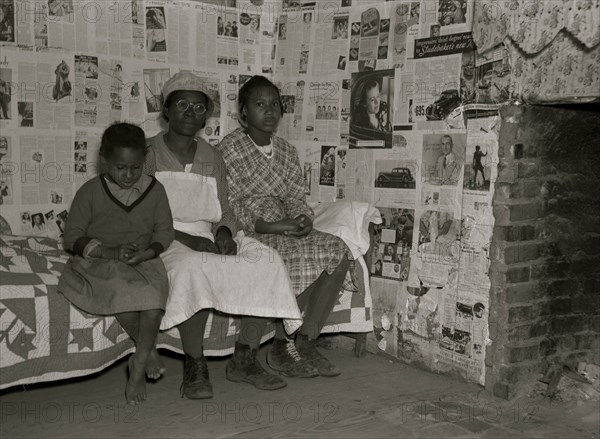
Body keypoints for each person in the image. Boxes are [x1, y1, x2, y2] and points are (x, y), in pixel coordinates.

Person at [145, 72, 301, 399]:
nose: (190, 113)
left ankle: (244, 357)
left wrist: (226, 234)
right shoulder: (149, 154)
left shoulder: (212, 157)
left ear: (207, 115)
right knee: (193, 266)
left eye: (199, 107)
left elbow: (225, 209)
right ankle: (195, 364)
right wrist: (188, 241)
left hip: (209, 233)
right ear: (166, 111)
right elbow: (139, 215)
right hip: (163, 238)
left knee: (266, 260)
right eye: (182, 105)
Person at [217, 75, 356, 378]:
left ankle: (301, 340)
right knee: (287, 255)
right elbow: (230, 203)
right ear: (243, 112)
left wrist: (303, 219)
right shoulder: (229, 149)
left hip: (285, 223)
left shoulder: (287, 151)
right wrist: (270, 226)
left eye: (275, 105)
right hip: (250, 228)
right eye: (260, 104)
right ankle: (264, 348)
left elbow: (295, 197)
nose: (269, 111)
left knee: (337, 250)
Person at [57, 123, 174, 405]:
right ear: (104, 162)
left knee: (153, 299)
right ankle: (146, 353)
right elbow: (72, 238)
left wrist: (148, 253)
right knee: (121, 290)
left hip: (143, 258)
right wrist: (109, 251)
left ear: (144, 162)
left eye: (136, 168)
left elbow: (165, 232)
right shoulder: (90, 191)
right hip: (101, 260)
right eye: (121, 168)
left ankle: (139, 358)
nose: (129, 175)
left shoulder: (155, 190)